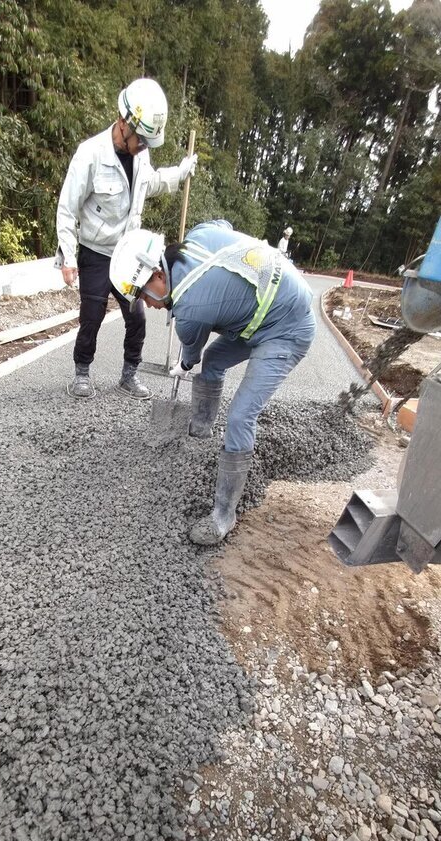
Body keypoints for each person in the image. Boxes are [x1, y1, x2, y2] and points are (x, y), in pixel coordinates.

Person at [109, 220, 316, 545]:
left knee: (240, 416)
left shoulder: (191, 311)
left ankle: (223, 516)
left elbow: (191, 354)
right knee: (215, 364)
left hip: (288, 328)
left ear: (159, 276)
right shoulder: (198, 236)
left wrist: (183, 365)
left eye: (143, 294)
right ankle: (201, 431)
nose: (146, 303)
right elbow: (225, 224)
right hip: (260, 314)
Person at [55, 77, 197, 400]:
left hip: (129, 254)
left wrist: (182, 171)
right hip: (95, 251)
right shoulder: (90, 154)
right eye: (142, 140)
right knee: (91, 315)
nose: (144, 146)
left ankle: (129, 374)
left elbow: (154, 183)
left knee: (137, 316)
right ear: (123, 123)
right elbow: (67, 208)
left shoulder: (141, 157)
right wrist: (68, 255)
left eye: (148, 142)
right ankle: (81, 372)